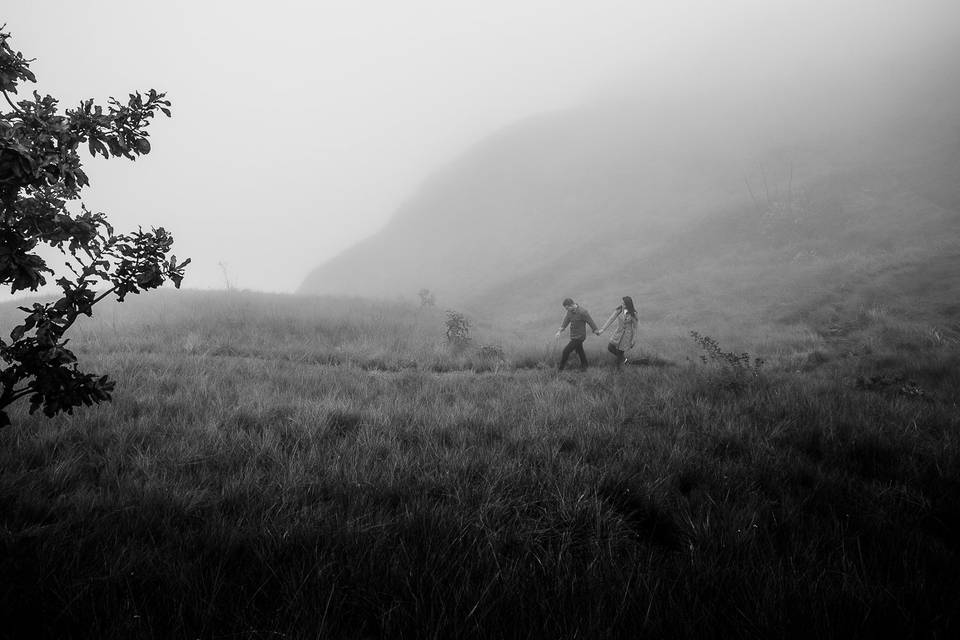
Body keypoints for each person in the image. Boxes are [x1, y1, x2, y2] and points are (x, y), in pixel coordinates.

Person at [555, 298, 600, 370]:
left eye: (567, 308)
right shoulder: (569, 312)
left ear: (571, 305)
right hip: (573, 336)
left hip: (579, 337)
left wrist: (595, 330)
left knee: (566, 351)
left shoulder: (583, 312)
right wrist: (559, 332)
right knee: (580, 351)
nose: (566, 310)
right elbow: (565, 321)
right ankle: (585, 366)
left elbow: (590, 321)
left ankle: (560, 369)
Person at [598, 296, 639, 367]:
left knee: (620, 353)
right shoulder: (619, 309)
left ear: (628, 305)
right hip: (618, 333)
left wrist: (633, 339)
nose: (623, 305)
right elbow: (611, 319)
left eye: (624, 304)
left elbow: (635, 327)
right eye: (622, 303)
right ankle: (626, 361)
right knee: (610, 347)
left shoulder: (633, 313)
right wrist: (602, 329)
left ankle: (619, 370)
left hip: (627, 336)